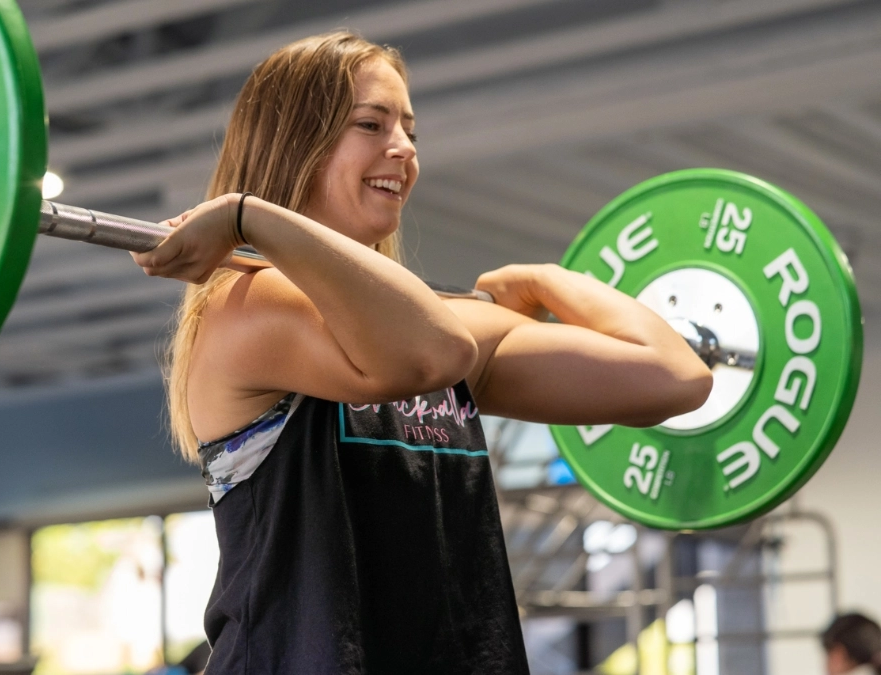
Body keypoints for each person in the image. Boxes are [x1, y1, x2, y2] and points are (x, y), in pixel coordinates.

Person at [131, 32, 712, 674]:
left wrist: (549, 279)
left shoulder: (439, 331)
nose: (403, 149)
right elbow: (432, 354)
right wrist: (254, 219)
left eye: (409, 129)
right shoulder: (248, 307)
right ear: (297, 142)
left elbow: (675, 378)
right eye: (371, 124)